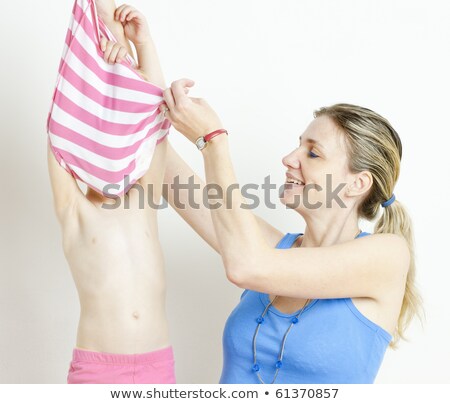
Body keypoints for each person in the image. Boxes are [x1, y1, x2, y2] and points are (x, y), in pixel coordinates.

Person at [159, 79, 422, 383]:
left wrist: (213, 140)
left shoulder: (387, 255)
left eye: (313, 153)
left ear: (358, 184)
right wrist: (136, 53)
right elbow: (170, 176)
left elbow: (246, 266)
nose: (289, 159)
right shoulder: (272, 249)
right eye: (299, 145)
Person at [48, 0, 175, 383]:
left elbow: (156, 120)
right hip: (98, 370)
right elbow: (59, 129)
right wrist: (98, 64)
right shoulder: (76, 211)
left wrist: (143, 46)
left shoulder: (143, 201)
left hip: (157, 367)